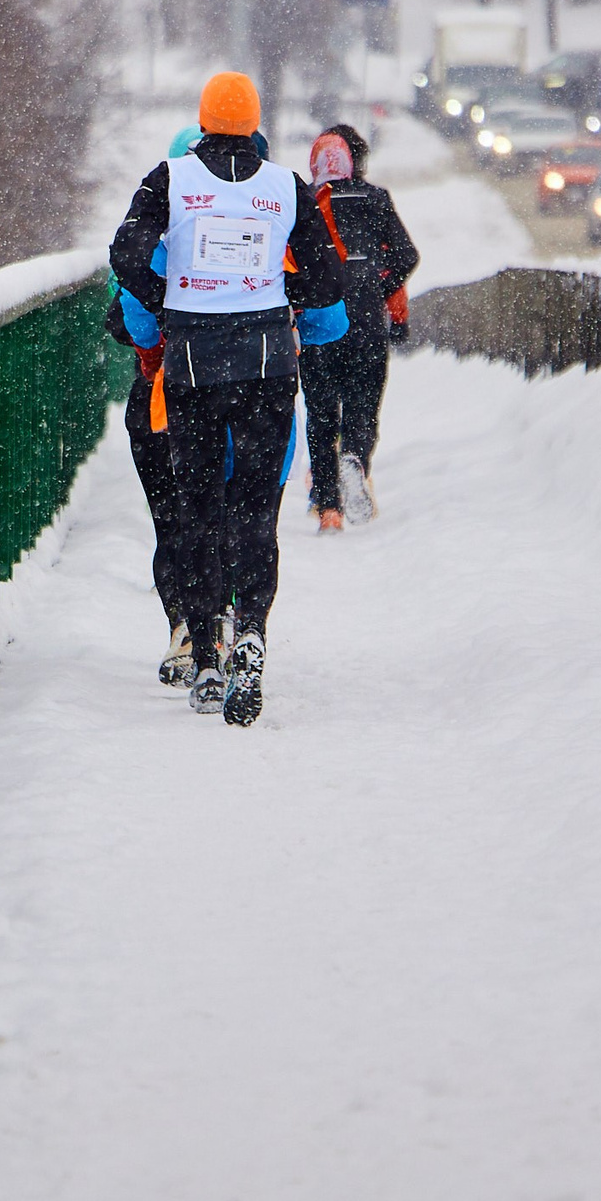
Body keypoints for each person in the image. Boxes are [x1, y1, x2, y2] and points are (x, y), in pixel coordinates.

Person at [110, 73, 347, 724]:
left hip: (191, 363)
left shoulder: (171, 179)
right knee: (254, 508)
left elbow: (125, 254)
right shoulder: (285, 188)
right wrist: (280, 300)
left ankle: (208, 654)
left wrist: (169, 302)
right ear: (255, 122)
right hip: (267, 363)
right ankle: (252, 631)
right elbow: (327, 277)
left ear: (204, 119)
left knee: (197, 509)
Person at [107, 126, 204, 688]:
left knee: (172, 521)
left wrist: (152, 351)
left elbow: (127, 318)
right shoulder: (252, 228)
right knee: (229, 513)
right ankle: (227, 618)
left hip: (160, 398)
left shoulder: (153, 241)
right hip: (236, 383)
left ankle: (184, 628)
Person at [299, 124, 420, 531]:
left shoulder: (306, 202)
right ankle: (355, 458)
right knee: (362, 405)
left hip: (320, 322)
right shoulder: (376, 199)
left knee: (320, 414)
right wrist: (374, 287)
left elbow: (291, 264)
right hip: (366, 321)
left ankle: (330, 509)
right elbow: (406, 255)